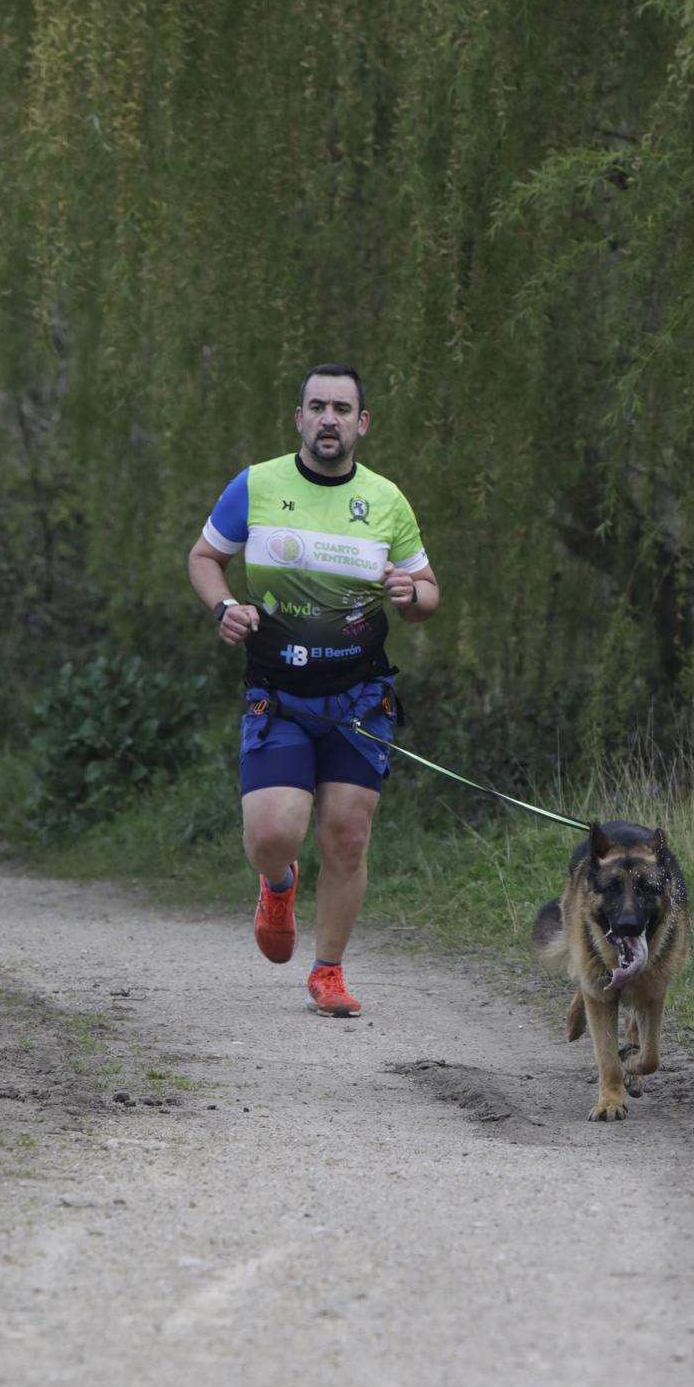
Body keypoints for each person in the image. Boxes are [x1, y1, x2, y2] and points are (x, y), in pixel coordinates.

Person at [188, 364, 439, 1017]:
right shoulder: (256, 486)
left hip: (359, 699)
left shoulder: (386, 500)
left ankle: (327, 972)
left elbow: (426, 593)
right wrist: (223, 610)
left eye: (342, 408)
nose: (329, 418)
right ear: (298, 418)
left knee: (347, 835)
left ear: (361, 423)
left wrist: (413, 595)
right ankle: (278, 883)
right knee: (274, 833)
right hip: (279, 696)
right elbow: (204, 558)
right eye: (317, 406)